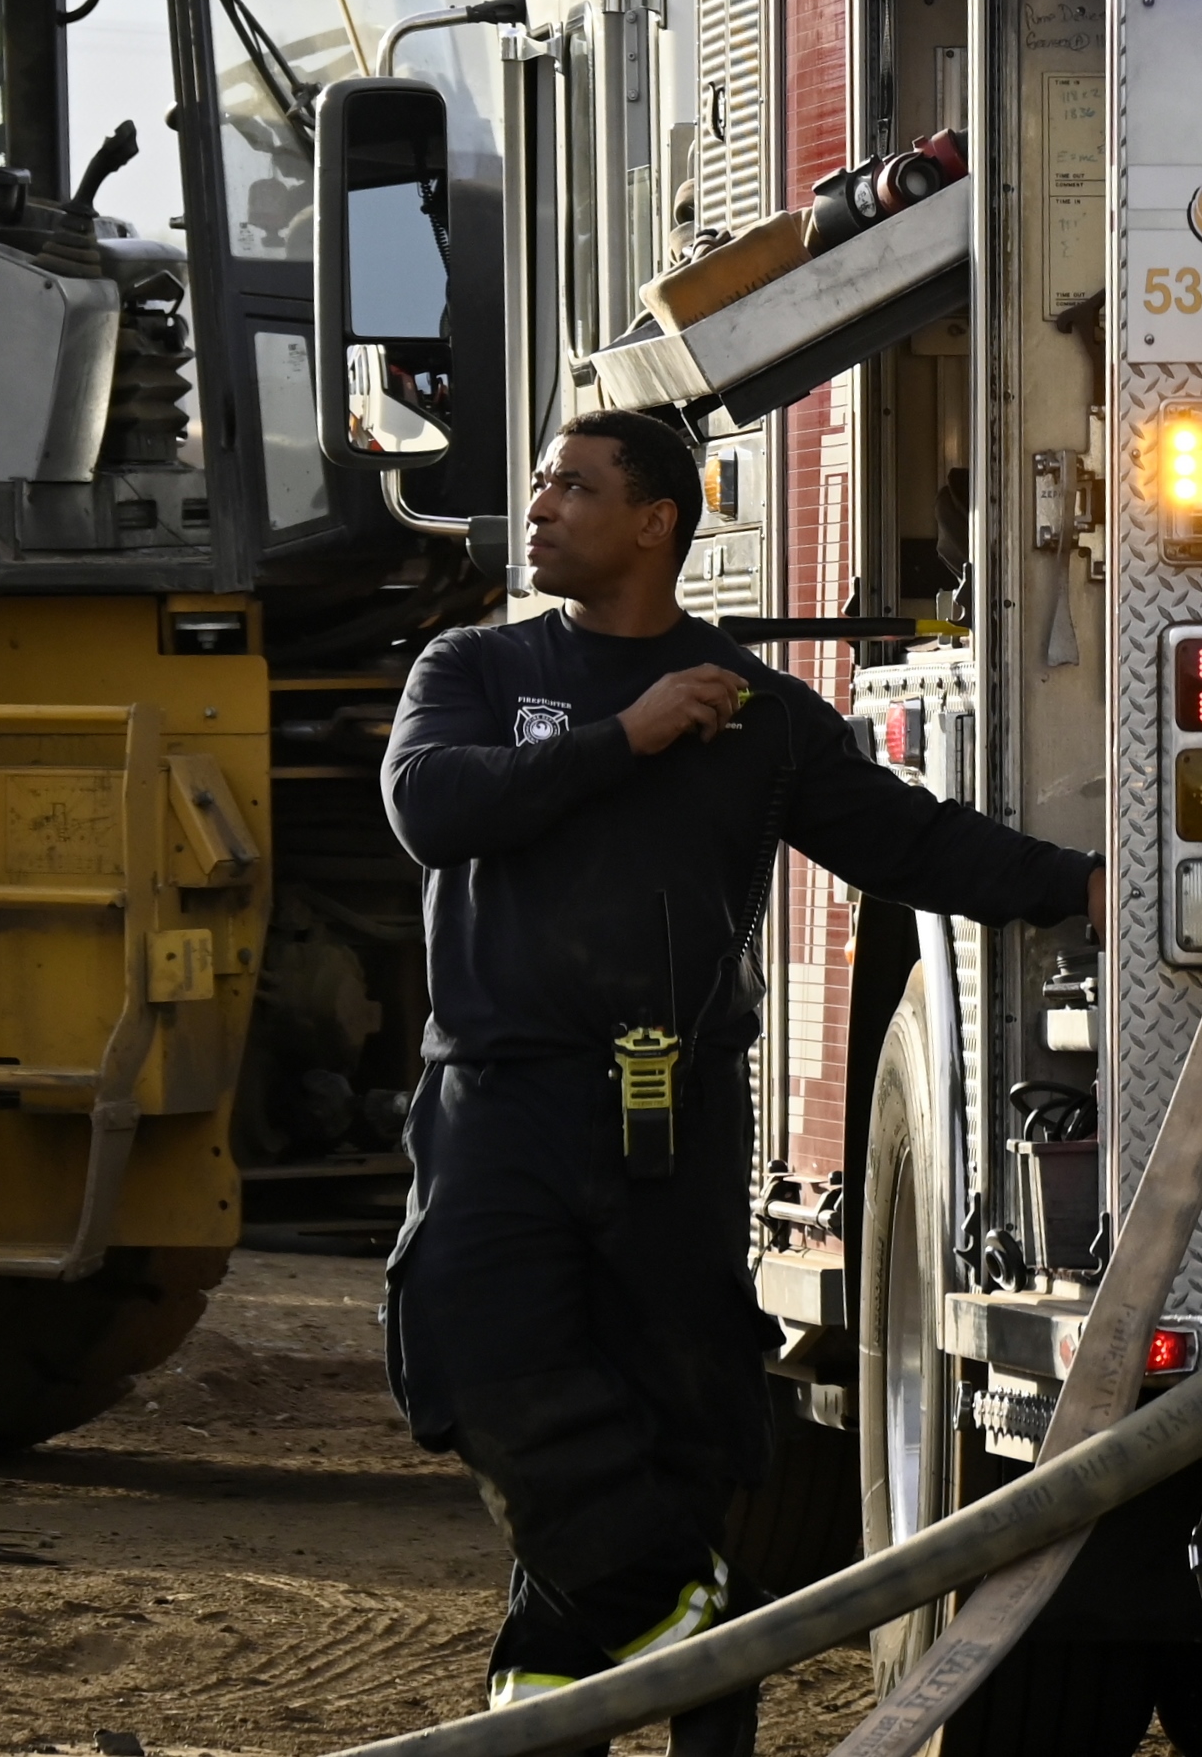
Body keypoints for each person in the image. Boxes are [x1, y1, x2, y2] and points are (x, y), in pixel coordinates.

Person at [381, 410, 1099, 1745]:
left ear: (655, 521)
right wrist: (626, 736)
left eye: (572, 486)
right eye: (540, 483)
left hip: (670, 1110)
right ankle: (699, 1621)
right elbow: (431, 807)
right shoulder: (476, 666)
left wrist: (1080, 886)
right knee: (471, 1361)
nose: (539, 506)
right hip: (499, 1094)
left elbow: (906, 841)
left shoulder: (753, 712)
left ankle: (597, 1697)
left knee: (680, 1414)